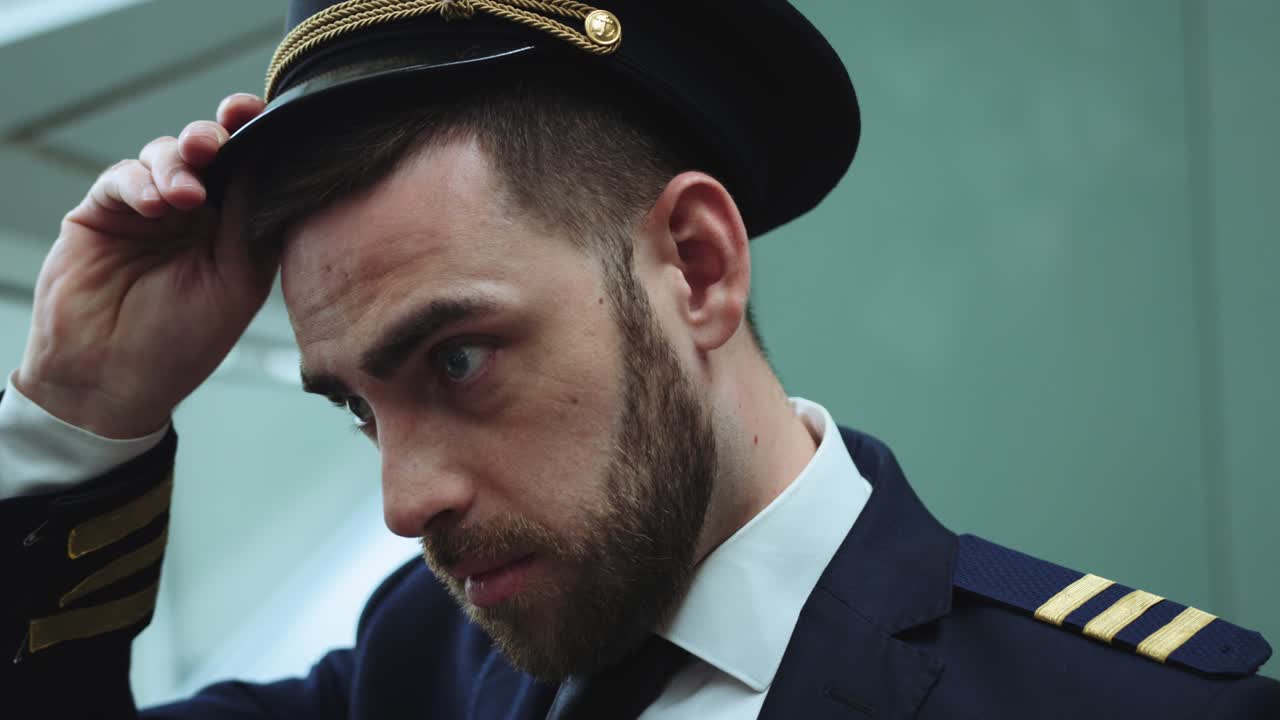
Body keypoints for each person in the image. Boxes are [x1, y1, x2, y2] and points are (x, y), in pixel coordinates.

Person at [1, 1, 1277, 718]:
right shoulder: (421, 672)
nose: (403, 502)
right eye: (358, 409)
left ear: (698, 267)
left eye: (456, 360)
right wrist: (79, 408)